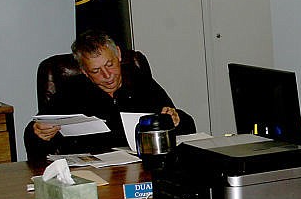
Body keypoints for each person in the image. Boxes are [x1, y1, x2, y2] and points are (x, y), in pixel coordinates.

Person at [24, 30, 194, 159]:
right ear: (84, 71)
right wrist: (39, 133)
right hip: (93, 177)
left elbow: (185, 125)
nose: (107, 75)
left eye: (110, 64)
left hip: (140, 167)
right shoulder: (71, 92)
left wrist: (175, 120)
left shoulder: (139, 81)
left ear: (118, 54)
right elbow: (34, 138)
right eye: (96, 70)